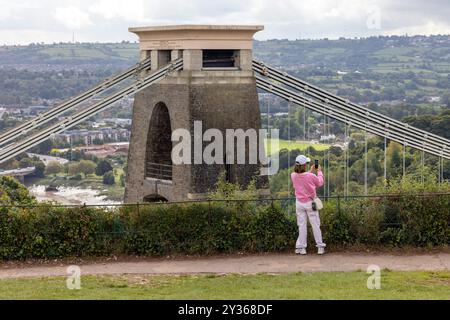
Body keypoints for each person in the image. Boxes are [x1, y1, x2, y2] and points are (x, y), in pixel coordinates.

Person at [291, 155, 326, 255]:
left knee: (301, 226)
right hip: (310, 203)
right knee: (315, 225)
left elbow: (303, 179)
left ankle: (302, 248)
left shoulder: (293, 175)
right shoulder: (311, 176)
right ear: (304, 165)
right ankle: (320, 247)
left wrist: (310, 171)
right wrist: (319, 171)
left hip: (299, 203)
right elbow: (319, 183)